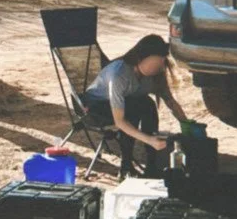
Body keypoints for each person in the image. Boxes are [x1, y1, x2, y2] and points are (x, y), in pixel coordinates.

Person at [82, 34, 191, 178]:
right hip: (96, 108)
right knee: (132, 110)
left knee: (147, 104)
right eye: (155, 63)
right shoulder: (119, 74)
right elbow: (119, 121)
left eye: (161, 63)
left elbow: (170, 102)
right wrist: (148, 140)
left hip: (127, 105)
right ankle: (126, 166)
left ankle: (152, 165)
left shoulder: (156, 73)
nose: (158, 67)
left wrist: (187, 125)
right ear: (140, 59)